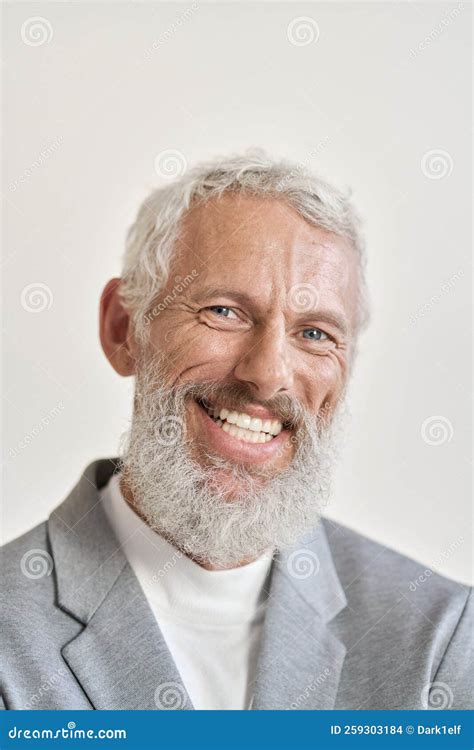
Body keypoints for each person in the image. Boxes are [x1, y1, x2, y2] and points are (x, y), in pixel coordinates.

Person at [1, 151, 471, 710]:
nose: (268, 375)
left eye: (315, 333)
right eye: (224, 311)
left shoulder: (441, 641)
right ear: (124, 328)